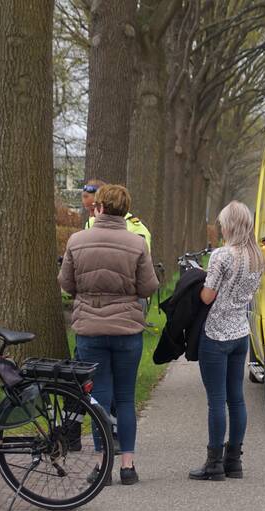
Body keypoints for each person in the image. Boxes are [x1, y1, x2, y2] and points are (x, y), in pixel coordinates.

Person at [59, 184, 158, 485]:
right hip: (127, 329)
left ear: (99, 207)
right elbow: (148, 287)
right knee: (125, 398)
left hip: (90, 330)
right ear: (125, 210)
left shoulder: (77, 240)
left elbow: (66, 284)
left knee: (98, 398)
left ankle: (102, 467)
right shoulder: (137, 243)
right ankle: (128, 466)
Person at [189, 201, 263, 481]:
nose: (220, 227)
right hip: (240, 333)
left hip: (216, 333)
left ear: (230, 226)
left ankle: (214, 464)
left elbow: (208, 296)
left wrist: (196, 280)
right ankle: (234, 461)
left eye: (222, 223)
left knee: (216, 401)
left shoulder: (222, 255)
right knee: (237, 399)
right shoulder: (257, 257)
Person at [82, 179, 152, 250]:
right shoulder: (91, 222)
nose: (92, 214)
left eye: (94, 208)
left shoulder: (136, 229)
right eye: (88, 210)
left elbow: (142, 253)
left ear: (104, 205)